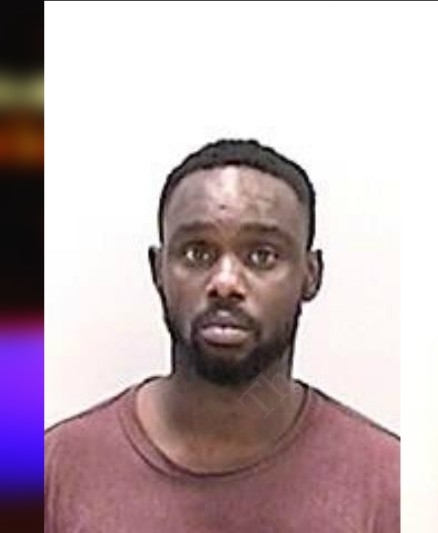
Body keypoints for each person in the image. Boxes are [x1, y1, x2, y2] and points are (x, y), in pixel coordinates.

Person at [45, 139, 399, 532]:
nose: (226, 283)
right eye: (197, 253)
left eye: (262, 256)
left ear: (310, 275)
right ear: (158, 270)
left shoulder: (386, 484)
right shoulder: (53, 471)